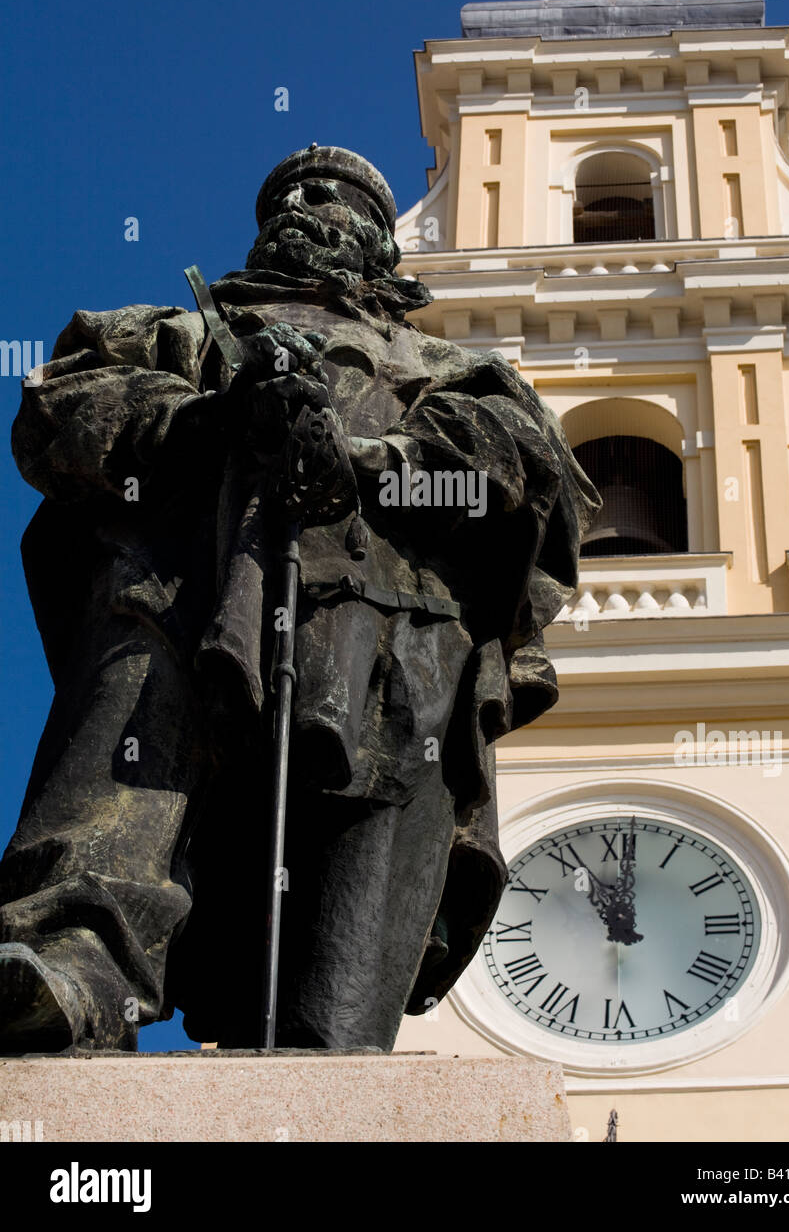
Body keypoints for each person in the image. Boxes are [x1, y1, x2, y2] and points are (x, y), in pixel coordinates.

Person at [0, 146, 599, 1051]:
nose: (312, 200)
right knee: (127, 758)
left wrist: (373, 463)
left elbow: (519, 462)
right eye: (293, 193)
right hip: (182, 588)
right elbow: (63, 413)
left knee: (367, 838)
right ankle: (77, 967)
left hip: (397, 612)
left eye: (341, 195)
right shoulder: (174, 330)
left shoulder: (450, 364)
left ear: (382, 245)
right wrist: (212, 418)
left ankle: (333, 1044)